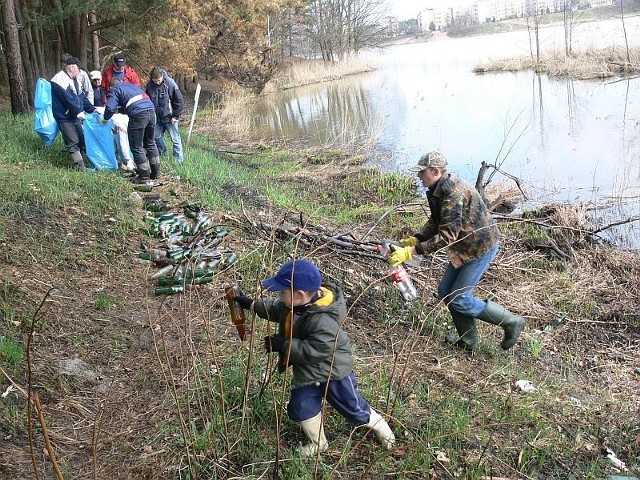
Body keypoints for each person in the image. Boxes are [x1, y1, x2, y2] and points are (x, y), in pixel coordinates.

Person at [233, 259, 395, 456]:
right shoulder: (293, 304)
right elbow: (276, 308)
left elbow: (317, 349)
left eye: (283, 292)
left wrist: (284, 345)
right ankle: (319, 443)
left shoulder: (323, 319)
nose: (279, 295)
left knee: (353, 408)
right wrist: (251, 304)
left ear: (299, 294)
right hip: (309, 373)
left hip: (333, 373)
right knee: (301, 406)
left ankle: (383, 431)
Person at [388, 151, 526, 351]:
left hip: (479, 248)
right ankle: (468, 341)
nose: (419, 176)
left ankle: (511, 322)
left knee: (460, 298)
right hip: (464, 246)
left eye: (422, 172)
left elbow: (446, 236)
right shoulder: (438, 189)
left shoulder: (453, 192)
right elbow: (437, 221)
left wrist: (412, 251)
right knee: (446, 291)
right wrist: (417, 238)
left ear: (435, 171)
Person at [102, 78, 159, 183]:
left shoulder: (114, 89)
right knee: (150, 143)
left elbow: (110, 108)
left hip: (138, 114)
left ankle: (144, 176)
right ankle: (155, 173)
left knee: (136, 146)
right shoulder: (131, 86)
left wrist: (105, 119)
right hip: (151, 111)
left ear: (111, 87)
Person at [50, 56, 97, 171]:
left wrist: (92, 109)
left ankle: (84, 161)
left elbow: (82, 97)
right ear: (71, 67)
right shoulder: (60, 79)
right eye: (78, 68)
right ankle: (80, 166)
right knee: (72, 141)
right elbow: (68, 100)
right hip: (64, 117)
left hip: (74, 115)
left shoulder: (74, 80)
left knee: (81, 139)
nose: (80, 71)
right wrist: (79, 112)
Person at [146, 67, 184, 163]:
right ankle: (164, 154)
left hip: (170, 117)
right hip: (156, 118)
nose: (157, 83)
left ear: (162, 76)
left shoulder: (170, 84)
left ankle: (178, 160)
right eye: (155, 81)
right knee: (156, 137)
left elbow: (179, 101)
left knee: (175, 139)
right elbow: (147, 101)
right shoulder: (150, 86)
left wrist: (175, 115)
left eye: (159, 80)